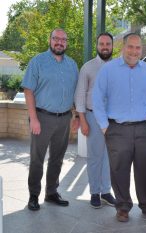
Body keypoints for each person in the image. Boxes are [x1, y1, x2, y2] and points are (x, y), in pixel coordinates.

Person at [92, 33, 146, 222]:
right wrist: (105, 126)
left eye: (138, 47)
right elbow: (97, 99)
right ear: (123, 47)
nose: (134, 51)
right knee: (119, 169)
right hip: (117, 130)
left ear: (141, 49)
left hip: (144, 129)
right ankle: (122, 206)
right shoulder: (108, 70)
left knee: (145, 169)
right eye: (130, 47)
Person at [22, 28, 78, 211]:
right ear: (50, 40)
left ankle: (51, 192)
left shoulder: (72, 65)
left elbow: (75, 94)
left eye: (63, 39)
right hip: (42, 118)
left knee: (57, 158)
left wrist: (76, 116)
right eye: (56, 38)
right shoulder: (37, 61)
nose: (59, 42)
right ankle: (33, 195)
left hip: (64, 118)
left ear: (66, 43)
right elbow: (28, 90)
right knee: (37, 159)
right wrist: (34, 118)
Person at [74, 32, 116, 208]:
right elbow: (80, 96)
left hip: (113, 119)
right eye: (101, 44)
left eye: (108, 44)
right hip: (92, 117)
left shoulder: (118, 67)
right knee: (94, 157)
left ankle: (106, 191)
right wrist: (82, 120)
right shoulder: (87, 68)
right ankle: (94, 192)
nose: (105, 47)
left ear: (112, 46)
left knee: (109, 157)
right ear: (97, 46)